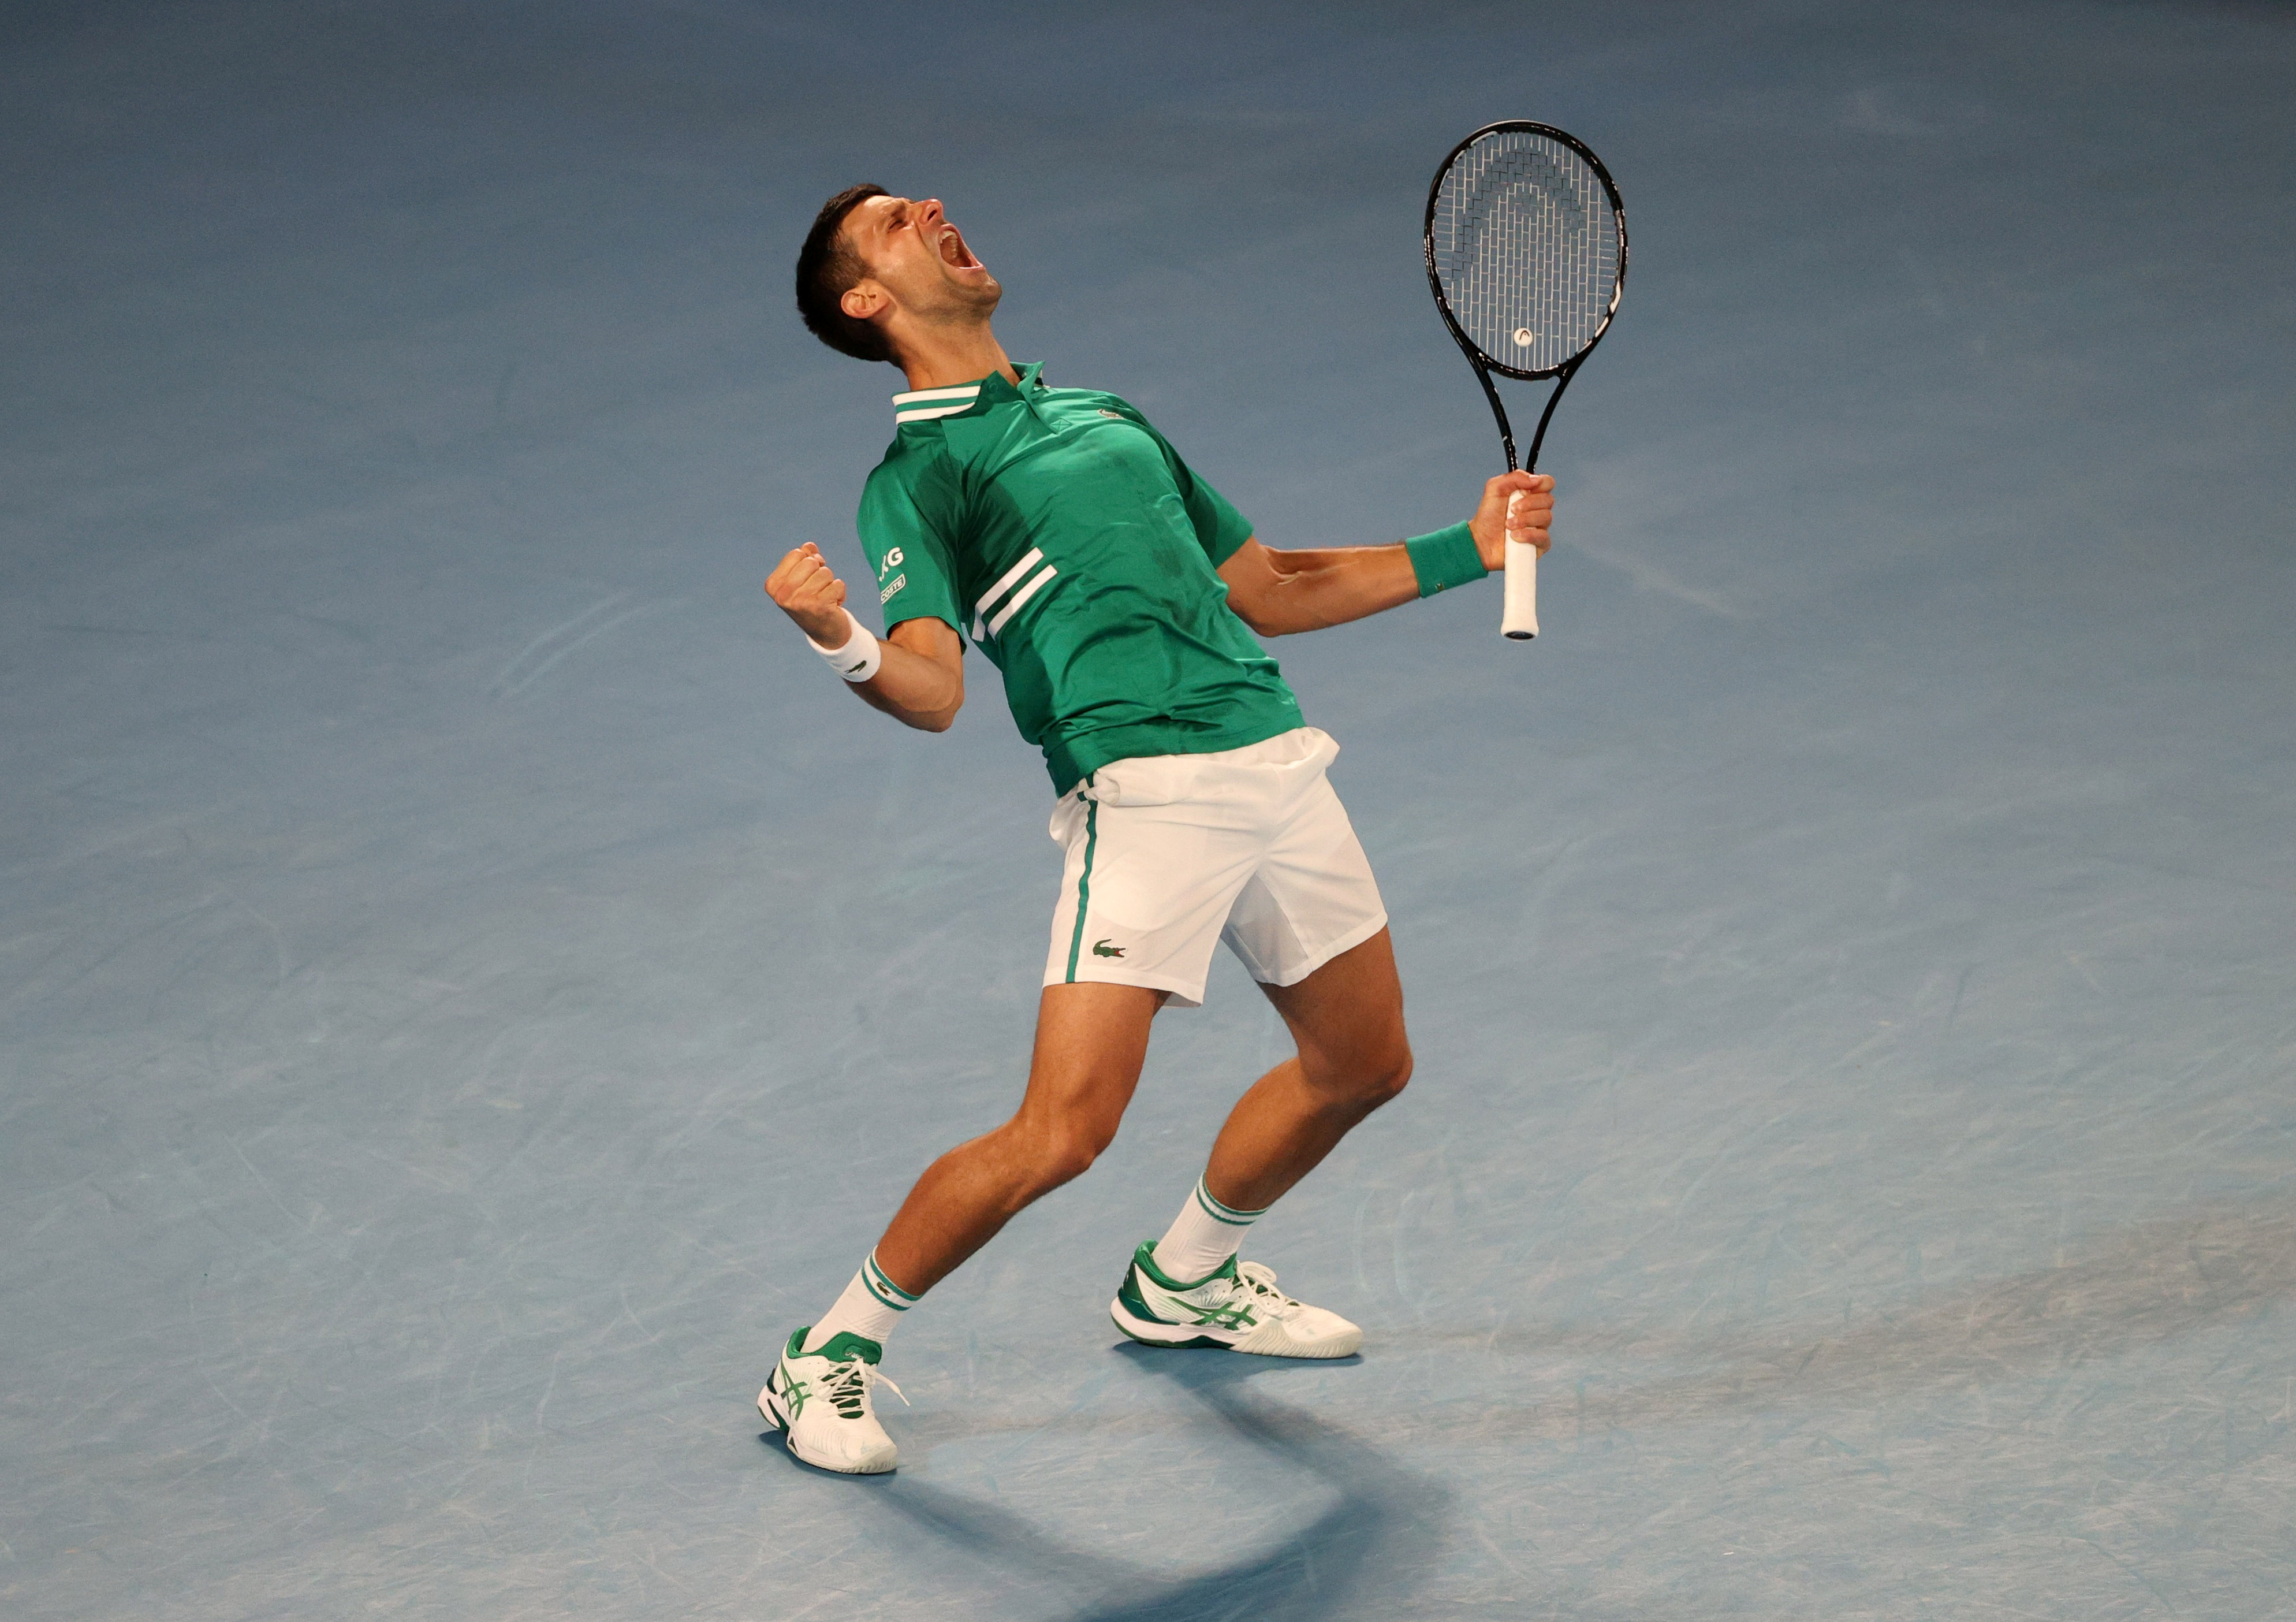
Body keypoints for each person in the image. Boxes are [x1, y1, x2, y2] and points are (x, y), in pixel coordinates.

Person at [760, 184, 1552, 1474]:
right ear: (867, 301)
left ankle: (1180, 1281)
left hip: (1274, 763)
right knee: (1061, 1133)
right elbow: (932, 692)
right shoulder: (922, 477)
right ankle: (824, 1357)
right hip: (1140, 799)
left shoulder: (1103, 415)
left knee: (1363, 1065)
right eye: (899, 219)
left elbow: (1270, 588)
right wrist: (835, 636)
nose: (939, 208)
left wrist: (1465, 549)